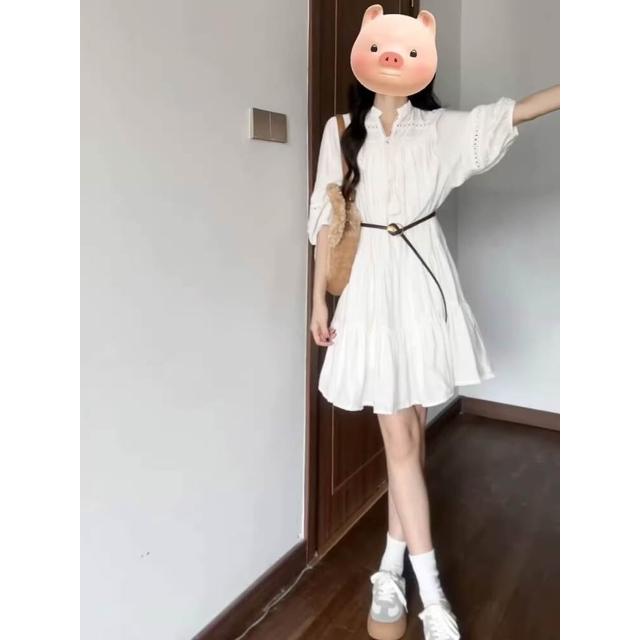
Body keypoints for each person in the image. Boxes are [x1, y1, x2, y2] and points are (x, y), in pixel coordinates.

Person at [308, 6, 559, 640]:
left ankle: (390, 570)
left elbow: (514, 113)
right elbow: (328, 221)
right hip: (370, 288)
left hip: (423, 283)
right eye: (380, 46)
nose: (392, 56)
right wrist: (319, 302)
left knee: (411, 436)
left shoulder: (441, 129)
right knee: (401, 440)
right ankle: (434, 597)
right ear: (363, 51)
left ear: (425, 56)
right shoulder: (340, 130)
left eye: (407, 47)